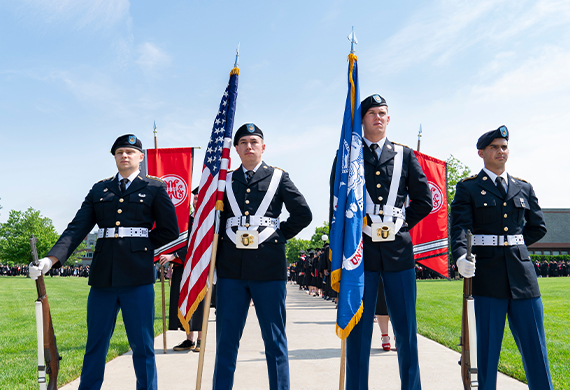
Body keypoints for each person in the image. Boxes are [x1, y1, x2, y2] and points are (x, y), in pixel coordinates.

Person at [29, 134, 179, 390]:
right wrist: (50, 260)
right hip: (103, 278)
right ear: (114, 157)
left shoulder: (154, 188)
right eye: (120, 152)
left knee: (142, 346)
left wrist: (139, 247)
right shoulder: (100, 189)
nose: (125, 155)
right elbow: (76, 228)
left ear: (141, 157)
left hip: (138, 277)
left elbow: (169, 230)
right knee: (96, 344)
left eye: (130, 152)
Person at [329, 94, 432, 390]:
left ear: (389, 119)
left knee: (406, 332)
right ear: (361, 120)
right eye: (371, 113)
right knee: (359, 333)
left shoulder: (405, 154)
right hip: (360, 254)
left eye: (382, 113)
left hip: (398, 252)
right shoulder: (348, 155)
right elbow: (336, 204)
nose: (377, 117)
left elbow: (424, 201)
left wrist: (398, 224)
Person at [450, 126, 553, 390]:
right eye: (494, 147)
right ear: (481, 152)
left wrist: (513, 245)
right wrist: (461, 255)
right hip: (486, 275)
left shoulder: (523, 187)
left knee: (535, 348)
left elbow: (537, 226)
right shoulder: (468, 188)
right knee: (486, 351)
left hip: (522, 276)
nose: (501, 151)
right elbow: (460, 226)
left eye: (504, 146)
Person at [213, 123, 312, 390]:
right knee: (225, 342)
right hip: (231, 270)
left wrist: (277, 236)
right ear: (235, 148)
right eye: (243, 142)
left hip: (269, 269)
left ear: (263, 147)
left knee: (275, 341)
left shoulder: (279, 177)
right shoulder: (224, 181)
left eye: (254, 142)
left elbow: (304, 213)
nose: (248, 146)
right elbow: (214, 223)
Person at [159, 186, 205, 352]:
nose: (196, 200)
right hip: (181, 266)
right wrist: (170, 258)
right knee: (183, 301)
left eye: (200, 198)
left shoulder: (206, 220)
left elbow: (199, 245)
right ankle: (189, 339)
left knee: (198, 302)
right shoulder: (185, 220)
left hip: (199, 267)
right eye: (195, 198)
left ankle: (200, 339)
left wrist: (175, 255)